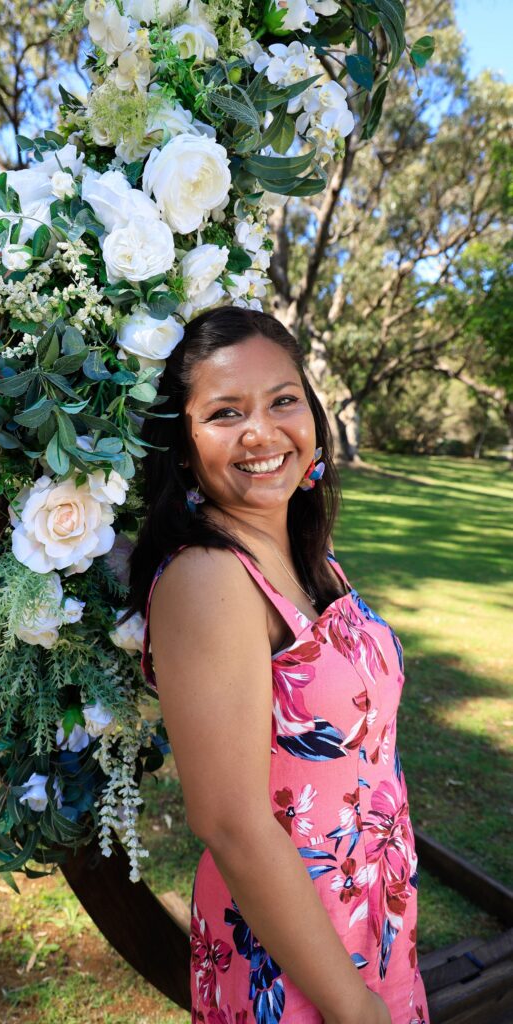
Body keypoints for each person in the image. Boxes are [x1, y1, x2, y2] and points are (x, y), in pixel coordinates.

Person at [126, 306, 430, 1024]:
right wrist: (350, 1006)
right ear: (184, 445)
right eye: (226, 413)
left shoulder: (311, 556)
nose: (262, 433)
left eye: (282, 400)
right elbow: (229, 821)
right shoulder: (210, 578)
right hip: (294, 951)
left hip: (372, 918)